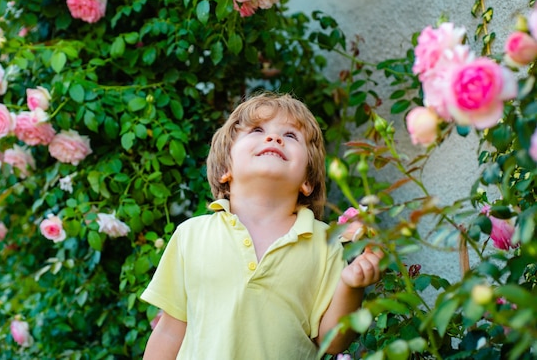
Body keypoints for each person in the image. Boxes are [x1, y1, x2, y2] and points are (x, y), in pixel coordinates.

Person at [141, 92, 382, 359]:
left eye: (290, 136)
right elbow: (170, 332)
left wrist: (351, 286)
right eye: (257, 129)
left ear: (307, 181)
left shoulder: (326, 243)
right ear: (225, 168)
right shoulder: (191, 235)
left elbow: (332, 341)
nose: (274, 138)